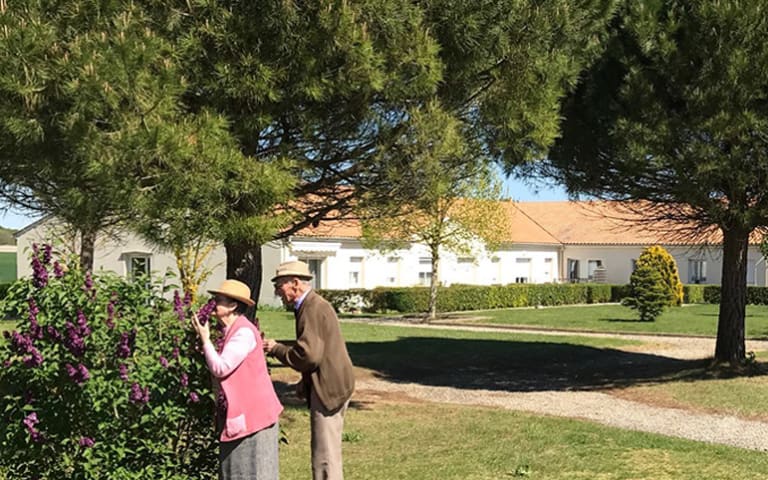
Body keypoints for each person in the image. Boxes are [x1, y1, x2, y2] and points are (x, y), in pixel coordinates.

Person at [264, 260, 355, 480]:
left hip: (329, 390)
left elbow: (309, 355)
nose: (277, 292)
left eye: (279, 286)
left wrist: (275, 348)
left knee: (325, 457)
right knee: (329, 452)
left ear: (295, 283)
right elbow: (319, 352)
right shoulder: (311, 305)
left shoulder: (312, 307)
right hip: (331, 385)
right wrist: (305, 384)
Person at [191, 279, 283, 480]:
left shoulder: (243, 332)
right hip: (245, 416)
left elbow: (221, 368)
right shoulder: (230, 332)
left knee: (252, 472)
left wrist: (206, 340)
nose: (213, 304)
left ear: (233, 305)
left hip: (254, 419)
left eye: (219, 300)